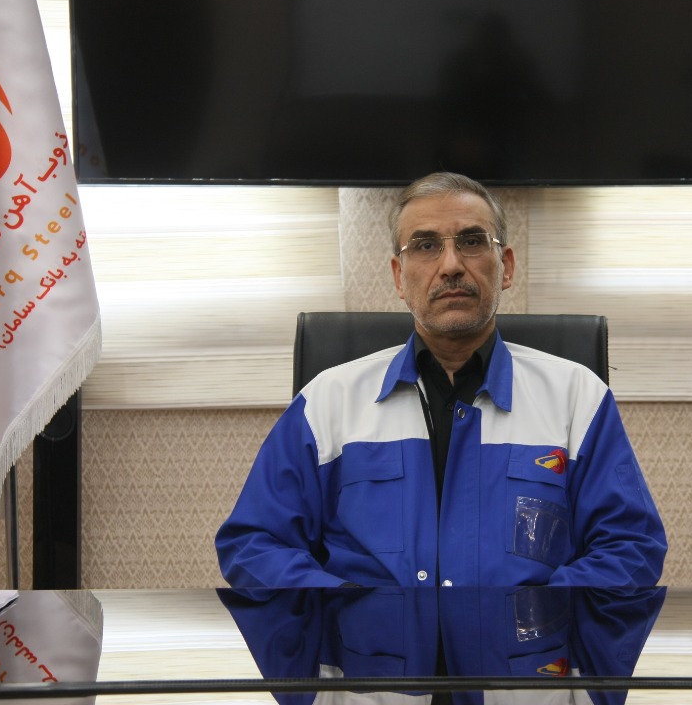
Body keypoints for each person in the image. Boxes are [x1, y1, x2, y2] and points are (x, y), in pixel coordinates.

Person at [216, 172, 666, 588]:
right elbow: (254, 545)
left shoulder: (577, 397)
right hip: (370, 651)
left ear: (506, 267)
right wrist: (349, 614)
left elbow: (630, 547)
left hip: (524, 650)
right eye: (426, 246)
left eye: (471, 241)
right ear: (399, 277)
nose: (450, 265)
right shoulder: (328, 401)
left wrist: (537, 617)